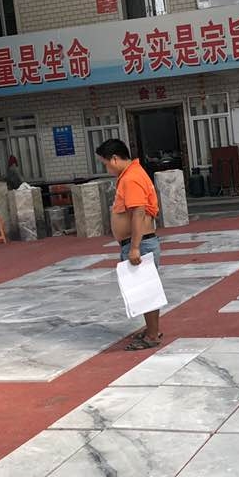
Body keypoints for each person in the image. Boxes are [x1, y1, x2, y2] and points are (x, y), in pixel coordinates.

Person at [96, 138, 163, 350]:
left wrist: (134, 247)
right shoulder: (132, 174)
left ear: (115, 159)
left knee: (145, 291)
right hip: (140, 242)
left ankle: (152, 335)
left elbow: (138, 212)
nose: (107, 168)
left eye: (106, 163)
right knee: (144, 289)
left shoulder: (131, 178)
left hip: (140, 243)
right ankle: (151, 329)